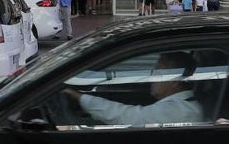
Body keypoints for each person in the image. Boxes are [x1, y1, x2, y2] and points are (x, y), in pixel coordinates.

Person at [64, 52, 203, 126]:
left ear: (176, 82)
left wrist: (77, 96)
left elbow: (126, 116)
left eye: (158, 72)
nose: (152, 78)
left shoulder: (179, 111)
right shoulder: (183, 105)